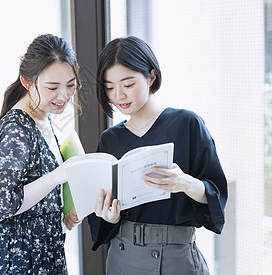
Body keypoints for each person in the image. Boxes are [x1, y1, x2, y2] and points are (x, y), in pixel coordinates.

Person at [89, 36, 228, 274]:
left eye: (128, 84)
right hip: (123, 257)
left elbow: (216, 196)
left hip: (177, 257)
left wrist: (184, 183)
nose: (119, 95)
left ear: (151, 76)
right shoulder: (110, 139)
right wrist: (108, 218)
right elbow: (101, 218)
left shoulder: (187, 123)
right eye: (110, 87)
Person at [0, 33, 81, 275]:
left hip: (41, 252)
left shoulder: (42, 116)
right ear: (27, 82)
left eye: (70, 85)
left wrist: (62, 209)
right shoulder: (16, 129)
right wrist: (57, 176)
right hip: (17, 261)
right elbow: (1, 206)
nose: (64, 96)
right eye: (52, 87)